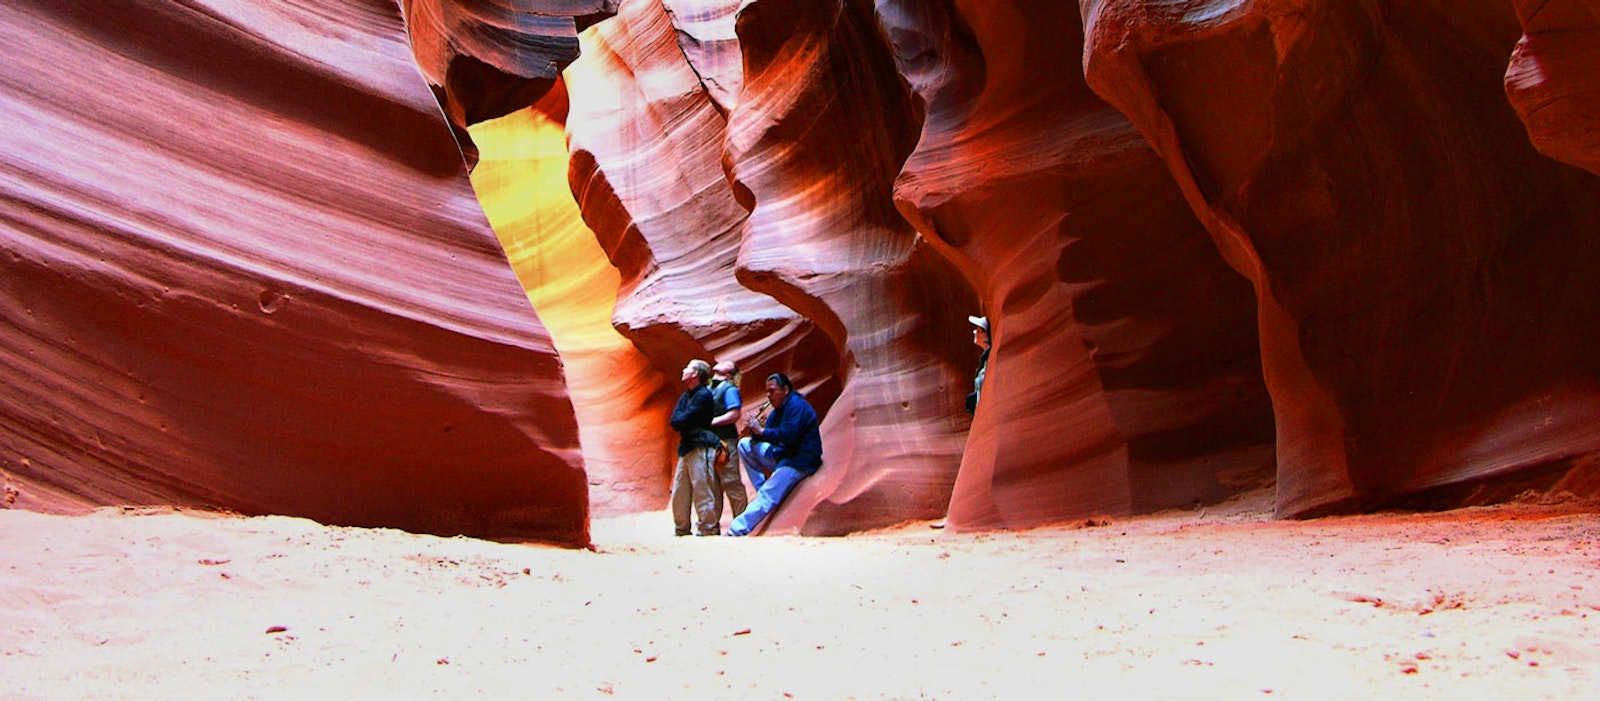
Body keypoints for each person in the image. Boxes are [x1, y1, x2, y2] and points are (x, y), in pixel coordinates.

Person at [727, 373, 822, 536]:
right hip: (783, 455)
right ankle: (762, 487)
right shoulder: (778, 410)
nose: (769, 395)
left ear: (785, 390)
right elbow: (769, 437)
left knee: (768, 496)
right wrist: (754, 432)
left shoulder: (796, 406)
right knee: (744, 445)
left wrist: (762, 430)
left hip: (799, 460)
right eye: (767, 392)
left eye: (772, 391)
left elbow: (790, 436)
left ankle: (736, 530)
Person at [669, 359, 722, 536]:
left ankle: (708, 527)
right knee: (680, 490)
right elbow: (675, 420)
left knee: (702, 486)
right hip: (686, 446)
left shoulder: (704, 395)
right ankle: (682, 528)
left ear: (695, 374)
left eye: (687, 368)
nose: (683, 370)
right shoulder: (686, 396)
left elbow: (685, 418)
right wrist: (682, 420)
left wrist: (682, 420)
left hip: (701, 445)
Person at [708, 361, 748, 522]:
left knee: (731, 481)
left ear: (729, 374)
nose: (720, 362)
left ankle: (743, 522)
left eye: (726, 363)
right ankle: (711, 525)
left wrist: (711, 422)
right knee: (713, 484)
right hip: (711, 441)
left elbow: (734, 414)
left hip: (725, 441)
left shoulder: (729, 389)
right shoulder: (710, 388)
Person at [965, 315, 990, 414]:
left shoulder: (989, 358)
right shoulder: (985, 358)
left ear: (986, 336)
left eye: (978, 330)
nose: (974, 332)